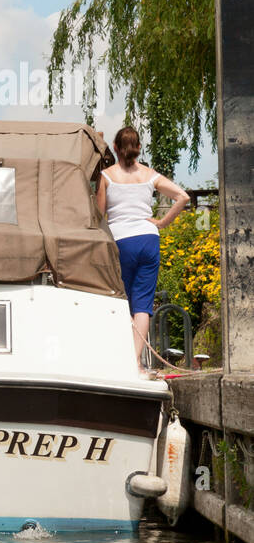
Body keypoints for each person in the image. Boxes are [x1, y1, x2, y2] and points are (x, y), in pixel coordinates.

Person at [96, 127, 189, 376]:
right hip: (148, 240)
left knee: (120, 300)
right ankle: (136, 363)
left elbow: (98, 216)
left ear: (115, 147)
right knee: (142, 304)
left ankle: (117, 359)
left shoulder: (106, 176)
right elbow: (182, 197)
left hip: (121, 242)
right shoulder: (150, 175)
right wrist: (161, 223)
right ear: (139, 148)